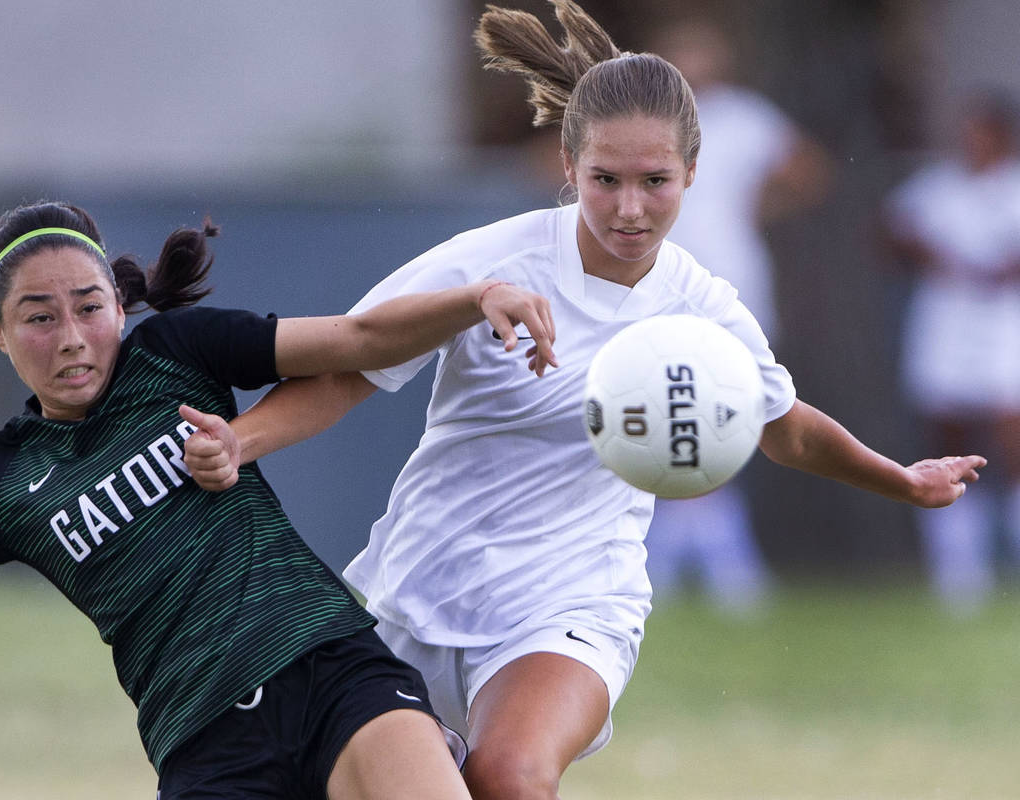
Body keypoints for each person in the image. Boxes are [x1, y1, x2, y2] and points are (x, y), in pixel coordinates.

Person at [184, 3, 985, 797]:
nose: (630, 209)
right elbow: (352, 366)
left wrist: (902, 479)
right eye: (606, 180)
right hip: (422, 589)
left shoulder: (702, 306)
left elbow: (786, 430)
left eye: (655, 181)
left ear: (692, 174)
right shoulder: (492, 261)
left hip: (573, 599)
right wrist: (242, 442)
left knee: (510, 774)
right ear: (568, 164)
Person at [0, 200, 559, 800]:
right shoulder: (4, 481)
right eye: (40, 318)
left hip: (330, 666)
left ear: (118, 301)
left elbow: (360, 339)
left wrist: (476, 298)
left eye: (88, 307)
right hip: (206, 742)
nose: (72, 338)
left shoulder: (175, 353)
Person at [642, 18, 832, 613]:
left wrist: (757, 207)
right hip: (652, 285)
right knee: (661, 415)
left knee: (722, 415)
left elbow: (808, 171)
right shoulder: (646, 120)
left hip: (730, 284)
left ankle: (710, 567)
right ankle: (700, 568)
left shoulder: (746, 118)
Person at [882, 89, 1020, 614]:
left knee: (1011, 442)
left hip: (1006, 326)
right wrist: (927, 252)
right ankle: (960, 572)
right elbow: (892, 231)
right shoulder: (936, 188)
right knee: (949, 437)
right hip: (945, 324)